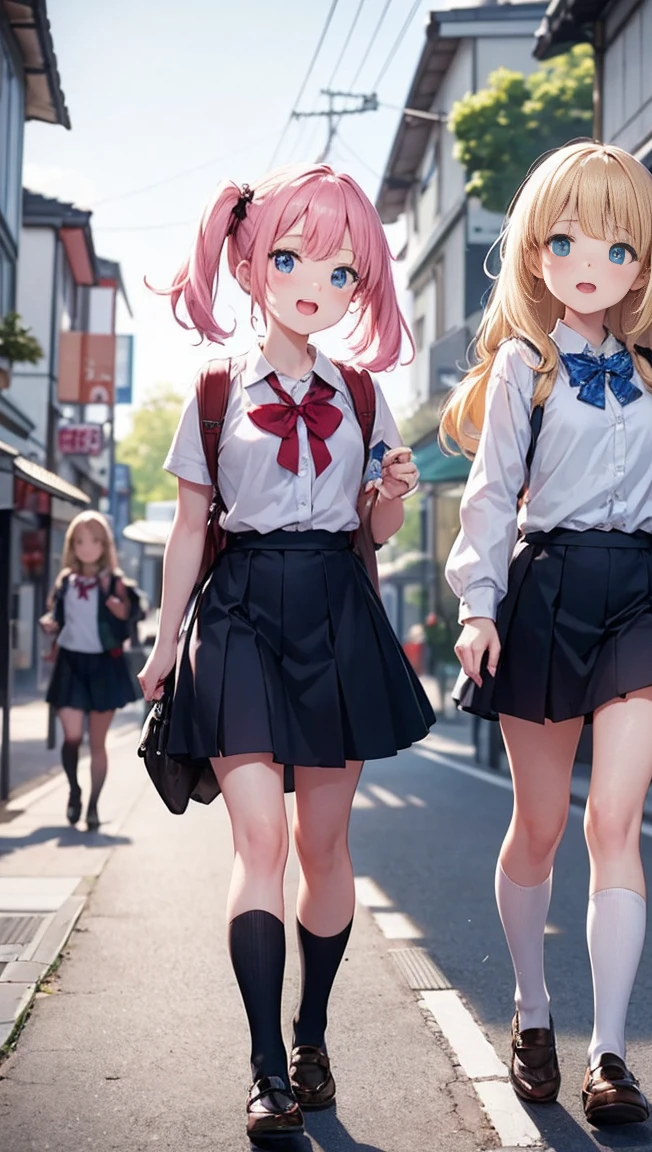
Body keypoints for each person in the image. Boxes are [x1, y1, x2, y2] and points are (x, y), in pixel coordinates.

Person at [137, 164, 435, 1139]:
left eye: (343, 270)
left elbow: (379, 529)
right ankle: (266, 1068)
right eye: (293, 258)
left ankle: (311, 1034)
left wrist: (391, 488)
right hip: (239, 616)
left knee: (324, 845)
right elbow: (189, 529)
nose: (317, 283)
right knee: (259, 841)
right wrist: (163, 636)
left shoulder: (361, 393)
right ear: (252, 263)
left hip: (337, 610)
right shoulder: (217, 392)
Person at [441, 141, 652, 1126]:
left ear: (642, 263)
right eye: (566, 240)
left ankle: (610, 1053)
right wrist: (477, 606)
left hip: (644, 594)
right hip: (549, 586)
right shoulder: (526, 364)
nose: (590, 261)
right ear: (536, 255)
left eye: (613, 245)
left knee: (614, 821)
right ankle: (532, 1007)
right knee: (543, 826)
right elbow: (490, 496)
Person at [40, 510, 141, 831]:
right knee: (71, 737)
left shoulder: (115, 582)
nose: (87, 547)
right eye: (81, 541)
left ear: (104, 545)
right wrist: (50, 624)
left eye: (95, 541)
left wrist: (119, 608)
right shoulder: (66, 580)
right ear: (72, 544)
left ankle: (94, 806)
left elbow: (129, 618)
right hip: (70, 662)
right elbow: (56, 615)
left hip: (103, 664)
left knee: (97, 744)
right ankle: (74, 791)